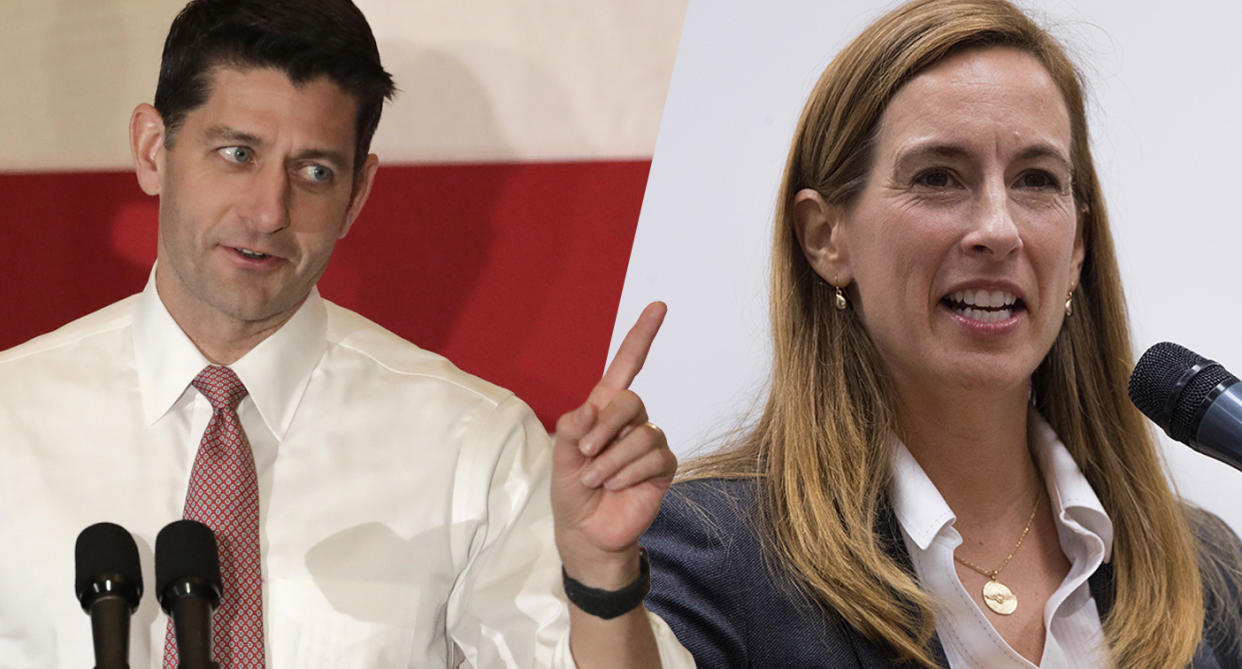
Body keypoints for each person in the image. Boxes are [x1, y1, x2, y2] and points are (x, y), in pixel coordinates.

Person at [0, 1, 692, 667]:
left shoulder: (471, 446)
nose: (270, 211)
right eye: (238, 153)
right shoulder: (13, 417)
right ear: (154, 150)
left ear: (357, 194)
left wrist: (602, 576)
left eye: (314, 171)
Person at [642, 0, 1242, 667]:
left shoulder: (1205, 570)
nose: (999, 229)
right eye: (938, 177)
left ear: (1077, 249)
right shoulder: (708, 555)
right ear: (825, 236)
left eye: (1036, 181)